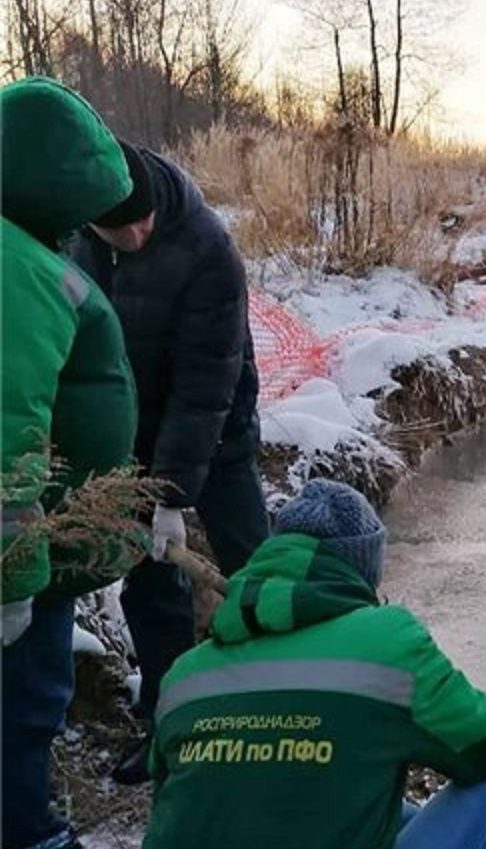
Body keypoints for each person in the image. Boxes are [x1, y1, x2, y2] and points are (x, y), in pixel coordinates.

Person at [142, 479, 486, 849]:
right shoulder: (387, 641)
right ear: (363, 569)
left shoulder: (185, 674)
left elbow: (170, 797)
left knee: (396, 811)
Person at [68, 139, 270, 780]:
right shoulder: (76, 237)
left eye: (144, 218)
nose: (135, 233)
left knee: (257, 570)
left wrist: (175, 495)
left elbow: (205, 384)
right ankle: (169, 721)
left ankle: (283, 703)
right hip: (131, 442)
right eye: (117, 226)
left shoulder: (208, 248)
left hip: (217, 433)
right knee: (153, 585)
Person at [1, 77, 139, 849]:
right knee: (22, 711)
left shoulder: (22, 252)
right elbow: (6, 429)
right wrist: (13, 573)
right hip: (25, 564)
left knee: (27, 709)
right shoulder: (12, 269)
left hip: (42, 552)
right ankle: (31, 835)